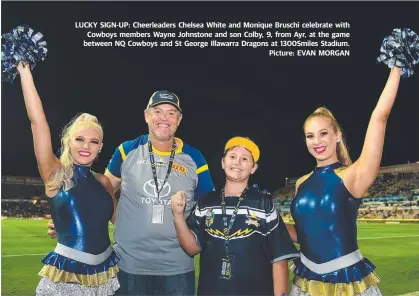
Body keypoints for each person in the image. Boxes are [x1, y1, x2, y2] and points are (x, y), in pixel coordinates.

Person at [287, 67, 403, 296]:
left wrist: (396, 70)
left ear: (337, 135)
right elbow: (304, 235)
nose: (317, 141)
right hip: (306, 282)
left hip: (347, 283)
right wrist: (266, 220)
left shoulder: (352, 176)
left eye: (323, 133)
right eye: (310, 136)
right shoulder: (301, 183)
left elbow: (380, 117)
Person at [16, 63, 119, 295]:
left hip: (104, 275)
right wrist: (24, 71)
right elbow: (37, 122)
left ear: (101, 147)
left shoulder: (104, 182)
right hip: (66, 276)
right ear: (68, 141)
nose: (86, 146)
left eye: (94, 142)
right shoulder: (55, 173)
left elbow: (121, 223)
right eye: (80, 139)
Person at [104, 90, 215, 295]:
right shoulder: (127, 150)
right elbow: (103, 190)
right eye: (158, 111)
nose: (164, 118)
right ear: (146, 115)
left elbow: (209, 206)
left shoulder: (194, 158)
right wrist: (74, 217)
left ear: (179, 119)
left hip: (177, 267)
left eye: (171, 113)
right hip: (129, 264)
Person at [171, 137, 299, 295]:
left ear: (253, 168)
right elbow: (191, 248)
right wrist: (178, 215)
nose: (237, 162)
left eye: (245, 158)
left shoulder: (263, 204)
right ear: (223, 162)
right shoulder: (206, 202)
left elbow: (279, 257)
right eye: (232, 157)